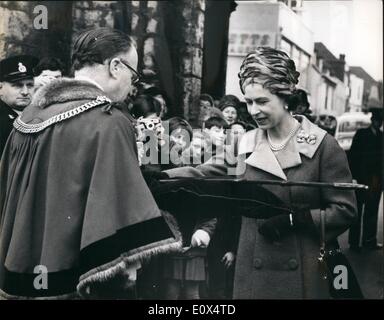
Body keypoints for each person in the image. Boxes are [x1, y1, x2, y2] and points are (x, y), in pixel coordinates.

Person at [0, 28, 181, 300]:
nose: (132, 85)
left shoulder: (29, 116)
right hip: (86, 279)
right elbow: (119, 204)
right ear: (115, 66)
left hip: (23, 270)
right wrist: (130, 263)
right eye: (133, 75)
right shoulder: (109, 120)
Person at [164, 47, 358, 299]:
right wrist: (159, 178)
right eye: (248, 101)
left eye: (262, 101)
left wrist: (296, 220)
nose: (254, 110)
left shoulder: (322, 145)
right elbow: (203, 173)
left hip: (303, 271)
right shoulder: (245, 143)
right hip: (252, 273)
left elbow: (345, 210)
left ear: (286, 96)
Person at [348, 108, 383, 251]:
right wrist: (353, 177)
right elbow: (353, 156)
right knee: (357, 210)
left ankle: (370, 240)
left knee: (372, 210)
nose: (378, 123)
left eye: (380, 121)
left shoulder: (382, 136)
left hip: (376, 180)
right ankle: (354, 243)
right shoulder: (361, 134)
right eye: (376, 120)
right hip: (361, 178)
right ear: (372, 120)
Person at [0, 55, 38, 156]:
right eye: (18, 85)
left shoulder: (37, 115)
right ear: (0, 88)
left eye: (30, 85)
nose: (25, 92)